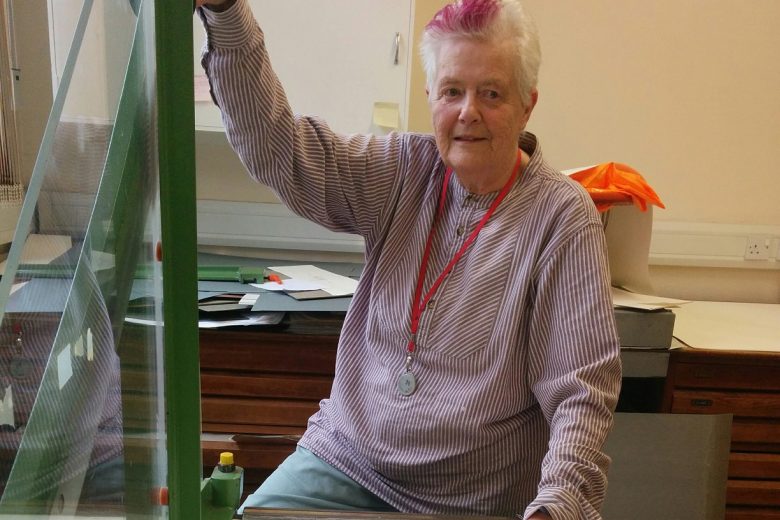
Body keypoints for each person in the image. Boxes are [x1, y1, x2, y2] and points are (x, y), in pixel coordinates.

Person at [195, 0, 622, 518]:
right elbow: (280, 148)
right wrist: (225, 13)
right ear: (430, 98)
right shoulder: (402, 170)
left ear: (527, 106)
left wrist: (559, 503)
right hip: (347, 461)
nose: (468, 112)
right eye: (452, 91)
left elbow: (580, 391)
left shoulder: (561, 217)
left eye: (491, 93)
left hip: (470, 499)